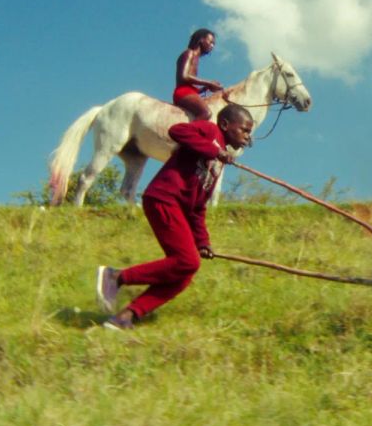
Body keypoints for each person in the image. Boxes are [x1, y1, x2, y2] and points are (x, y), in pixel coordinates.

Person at [95, 103, 254, 330]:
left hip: (178, 208)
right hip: (164, 199)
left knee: (184, 273)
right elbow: (177, 131)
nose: (247, 136)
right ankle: (116, 277)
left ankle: (126, 316)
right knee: (187, 261)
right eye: (244, 130)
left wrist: (203, 242)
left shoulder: (218, 164)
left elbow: (198, 207)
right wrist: (214, 150)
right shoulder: (211, 133)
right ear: (226, 125)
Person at [172, 28, 223, 121]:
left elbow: (189, 83)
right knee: (206, 113)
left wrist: (203, 89)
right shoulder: (189, 53)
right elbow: (184, 76)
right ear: (201, 39)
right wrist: (209, 83)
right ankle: (186, 133)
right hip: (183, 92)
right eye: (210, 42)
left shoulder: (196, 58)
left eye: (213, 44)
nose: (212, 46)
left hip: (190, 92)